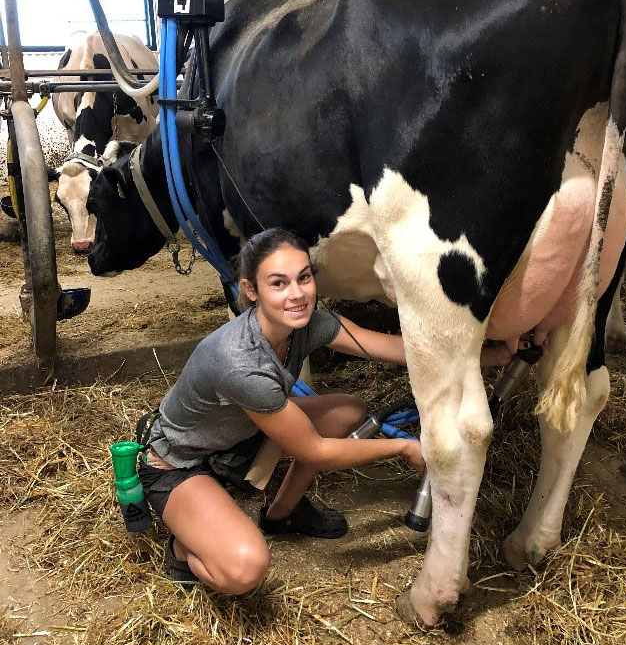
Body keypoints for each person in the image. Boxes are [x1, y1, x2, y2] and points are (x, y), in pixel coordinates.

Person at [137, 227, 425, 594]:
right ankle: (182, 547)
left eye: (303, 277)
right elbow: (315, 451)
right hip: (179, 463)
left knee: (347, 411)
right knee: (244, 570)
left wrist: (491, 353)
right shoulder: (239, 361)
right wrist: (404, 447)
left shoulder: (308, 324)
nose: (298, 294)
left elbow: (396, 349)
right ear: (251, 290)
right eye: (278, 283)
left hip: (239, 436)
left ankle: (282, 514)